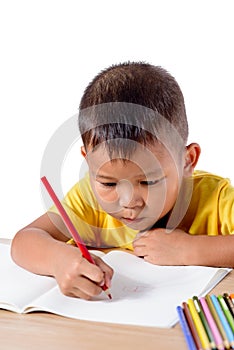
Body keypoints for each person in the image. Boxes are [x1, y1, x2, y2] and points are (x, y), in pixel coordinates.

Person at [11, 62, 234, 300]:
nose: (128, 202)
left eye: (148, 182)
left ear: (187, 161)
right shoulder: (89, 200)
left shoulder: (216, 198)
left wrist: (189, 250)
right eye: (108, 184)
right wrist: (58, 259)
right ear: (88, 161)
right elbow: (24, 241)